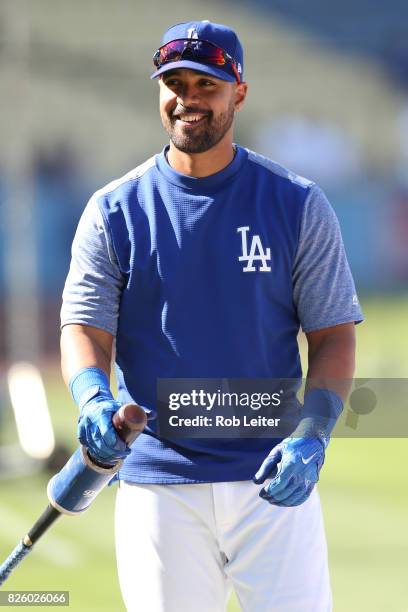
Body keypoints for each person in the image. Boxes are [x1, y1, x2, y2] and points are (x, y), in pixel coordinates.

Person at [60, 20, 363, 612]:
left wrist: (314, 434)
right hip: (158, 485)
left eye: (207, 84)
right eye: (175, 83)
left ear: (239, 92)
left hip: (273, 481)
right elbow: (85, 329)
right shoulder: (113, 210)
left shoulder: (297, 203)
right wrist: (93, 399)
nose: (189, 98)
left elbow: (331, 335)